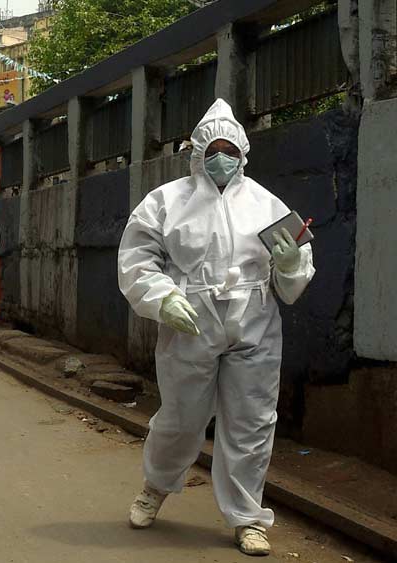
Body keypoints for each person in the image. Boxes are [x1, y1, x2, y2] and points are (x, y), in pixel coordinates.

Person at [117, 99, 315, 556]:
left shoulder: (266, 202)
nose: (221, 158)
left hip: (253, 320)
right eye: (213, 150)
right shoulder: (165, 202)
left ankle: (247, 518)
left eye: (230, 150)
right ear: (197, 154)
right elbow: (137, 259)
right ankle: (156, 485)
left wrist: (290, 262)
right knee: (181, 417)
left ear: (243, 154)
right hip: (191, 319)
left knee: (252, 422)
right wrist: (163, 297)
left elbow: (294, 267)